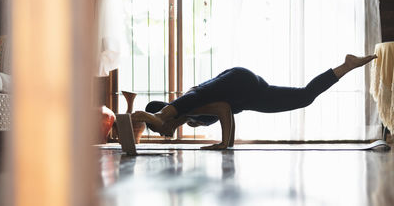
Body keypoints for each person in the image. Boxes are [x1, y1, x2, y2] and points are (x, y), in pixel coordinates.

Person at [132, 54, 377, 150]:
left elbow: (224, 109)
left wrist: (224, 145)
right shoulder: (188, 116)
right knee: (304, 97)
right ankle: (346, 66)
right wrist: (224, 143)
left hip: (239, 84)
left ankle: (144, 115)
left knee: (303, 98)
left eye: (157, 130)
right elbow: (225, 112)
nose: (162, 134)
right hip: (250, 92)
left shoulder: (186, 104)